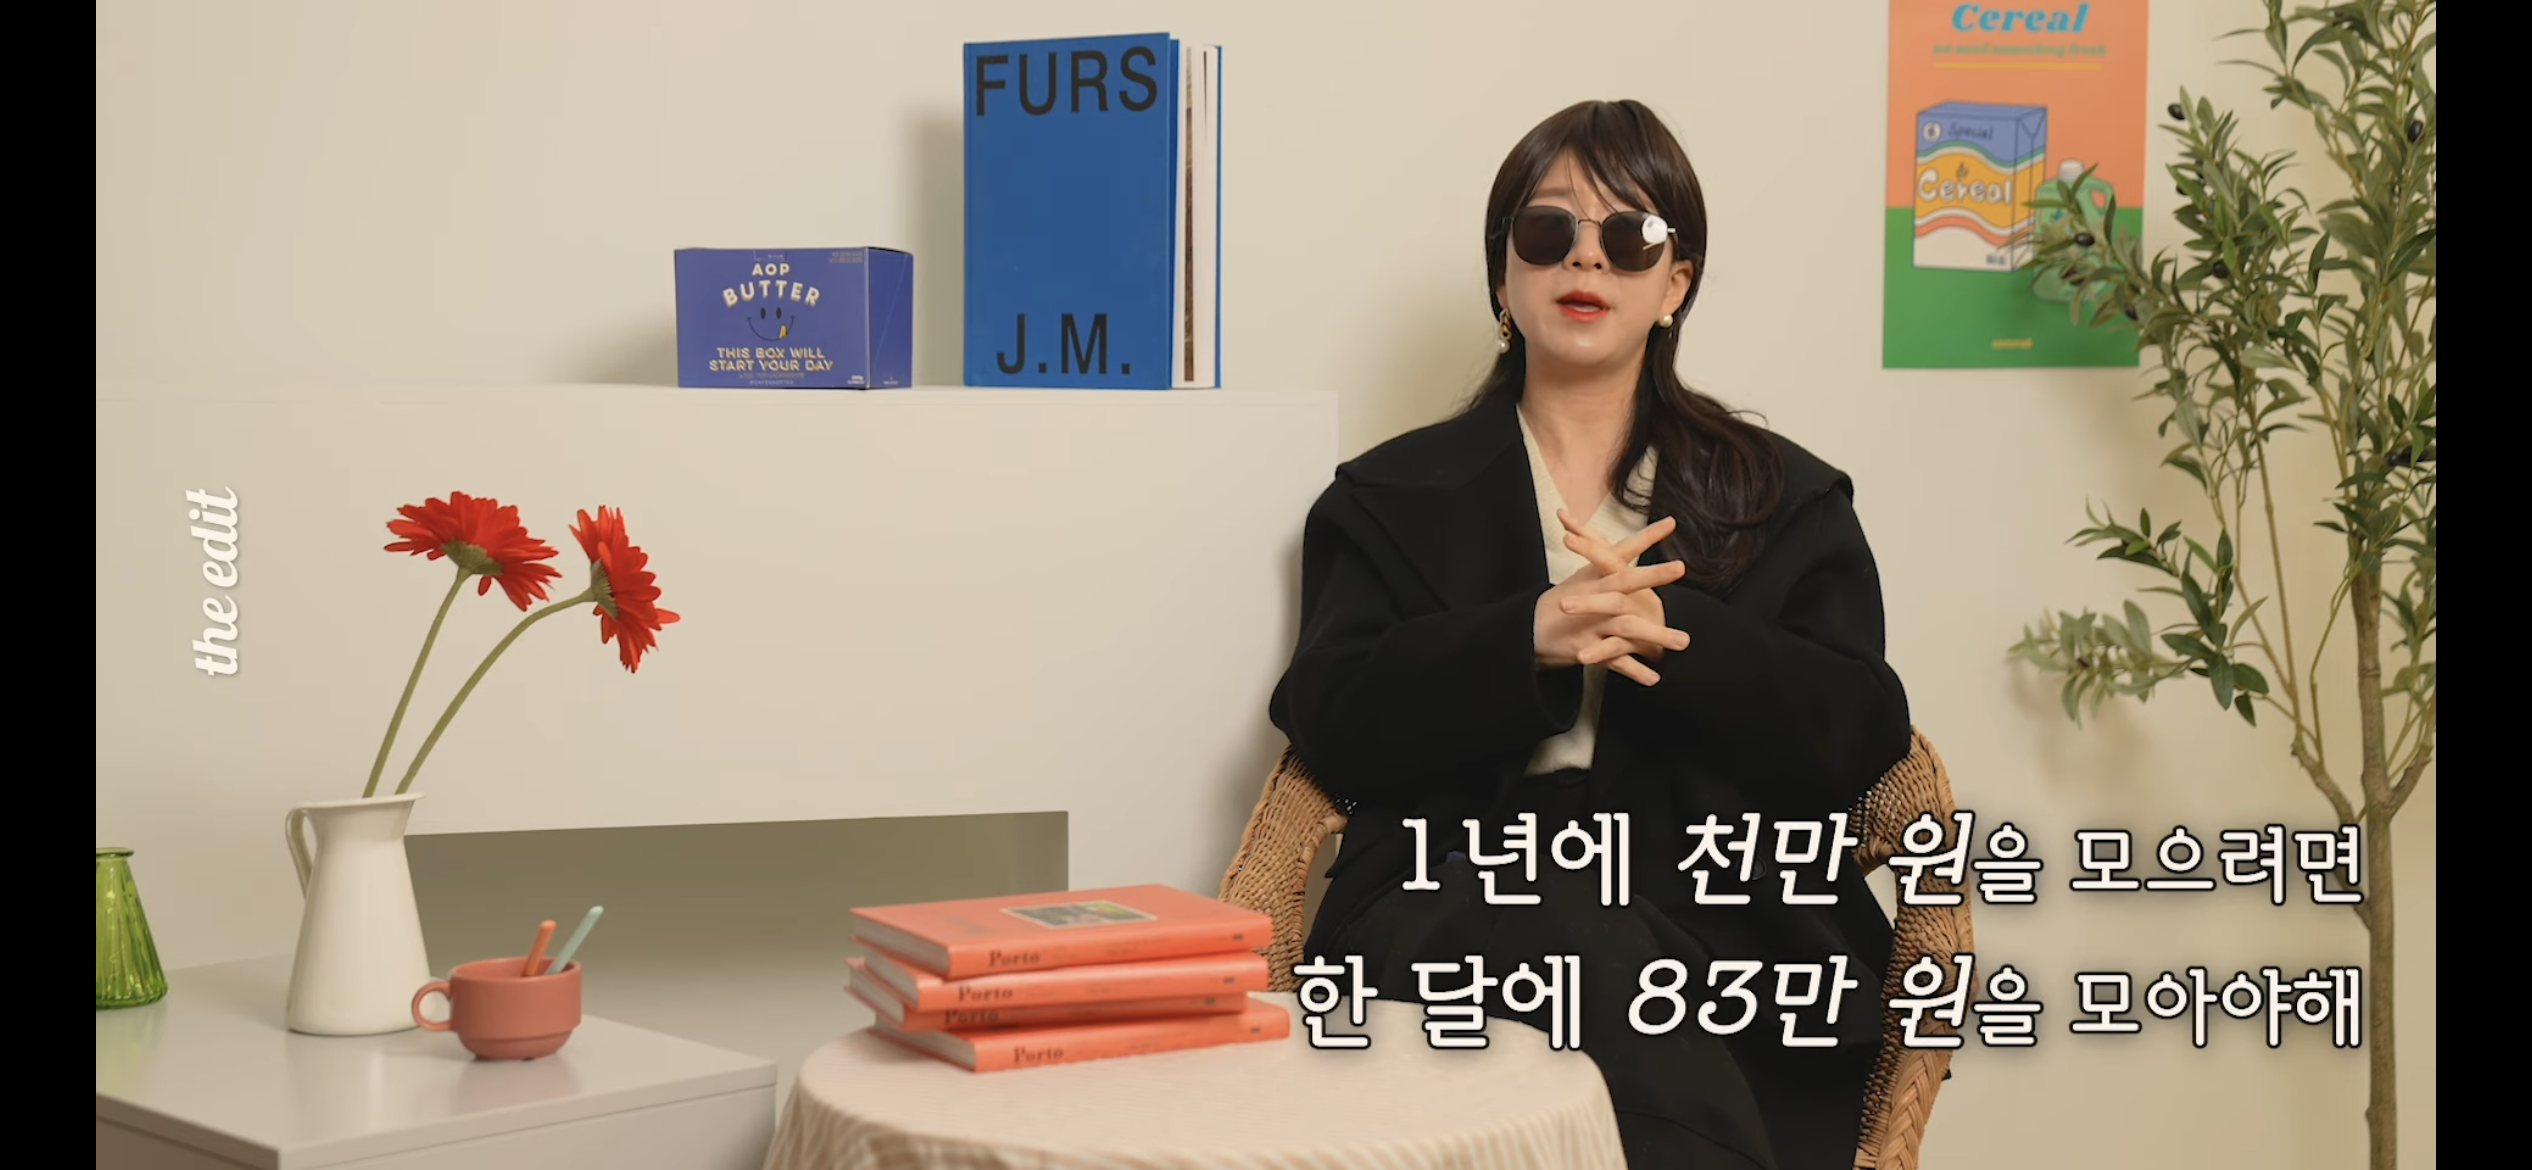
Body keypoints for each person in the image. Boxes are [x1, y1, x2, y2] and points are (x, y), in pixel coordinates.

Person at [1267, 99, 1912, 1170]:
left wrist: (1675, 634)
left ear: (1676, 284)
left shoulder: (1782, 497)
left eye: (1632, 235)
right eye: (1547, 229)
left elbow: (1860, 731)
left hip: (1722, 921)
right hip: (1450, 909)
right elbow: (1330, 716)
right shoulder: (1384, 497)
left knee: (1605, 944)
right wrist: (1522, 639)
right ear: (1503, 274)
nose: (1586, 258)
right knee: (1568, 915)